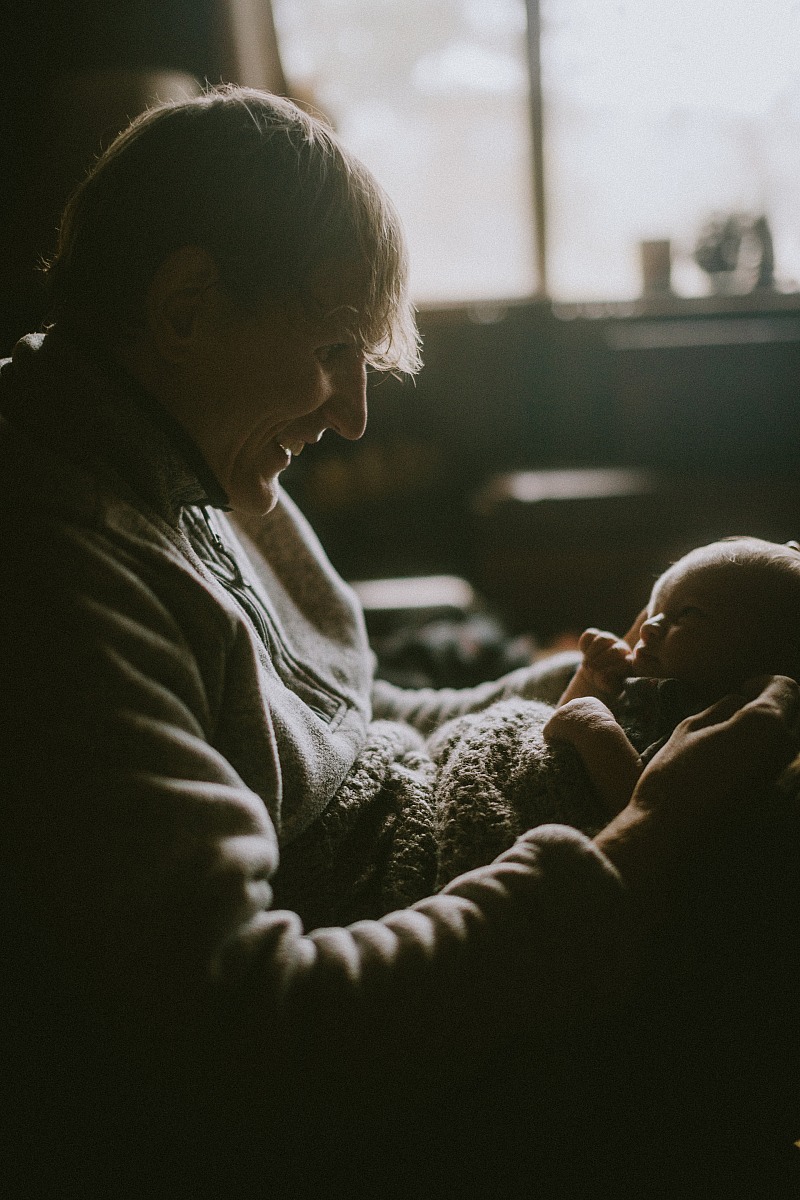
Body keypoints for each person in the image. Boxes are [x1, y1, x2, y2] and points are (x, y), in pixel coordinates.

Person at [1, 86, 798, 1197]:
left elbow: (342, 727)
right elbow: (250, 1032)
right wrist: (646, 839)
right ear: (185, 307)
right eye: (333, 349)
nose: (351, 416)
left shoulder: (193, 452)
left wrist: (615, 680)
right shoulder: (57, 581)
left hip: (463, 821)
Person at [544, 536, 800, 815]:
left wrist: (591, 727)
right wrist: (589, 678)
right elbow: (552, 732)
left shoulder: (726, 730)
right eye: (654, 611)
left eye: (686, 614)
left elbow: (652, 810)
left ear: (762, 652)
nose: (647, 627)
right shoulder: (640, 682)